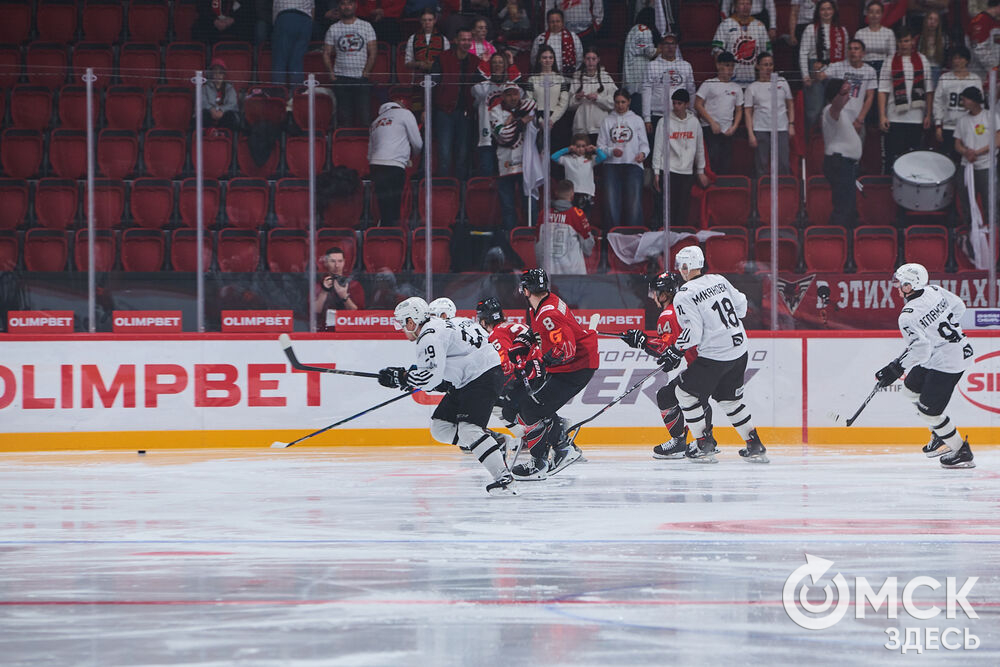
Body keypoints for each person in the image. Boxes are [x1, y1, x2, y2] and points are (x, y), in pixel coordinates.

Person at [378, 297, 517, 494]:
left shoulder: (428, 336)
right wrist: (409, 377)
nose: (402, 329)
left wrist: (402, 378)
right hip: (472, 377)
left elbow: (430, 379)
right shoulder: (442, 325)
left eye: (402, 323)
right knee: (441, 427)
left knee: (469, 430)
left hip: (482, 376)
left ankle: (504, 478)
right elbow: (446, 367)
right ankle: (493, 441)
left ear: (411, 321)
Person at [658, 246, 768, 463]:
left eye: (681, 265)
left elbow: (694, 333)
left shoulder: (684, 294)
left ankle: (703, 444)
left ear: (687, 266)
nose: (680, 269)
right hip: (739, 350)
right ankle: (754, 444)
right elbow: (742, 306)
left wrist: (676, 349)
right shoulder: (719, 280)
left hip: (715, 356)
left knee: (684, 393)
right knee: (730, 400)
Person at [874, 263, 976, 468]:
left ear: (910, 285)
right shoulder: (934, 290)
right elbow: (959, 307)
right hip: (947, 352)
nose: (897, 286)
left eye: (900, 283)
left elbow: (920, 351)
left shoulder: (907, 316)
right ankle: (939, 433)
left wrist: (896, 368)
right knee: (910, 390)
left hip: (949, 362)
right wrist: (938, 334)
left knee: (930, 413)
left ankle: (961, 450)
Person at [509, 268, 598, 480]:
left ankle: (541, 462)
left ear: (526, 290)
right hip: (572, 366)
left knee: (531, 409)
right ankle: (562, 445)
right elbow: (541, 331)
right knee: (536, 405)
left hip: (576, 368)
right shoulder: (543, 305)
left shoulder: (548, 313)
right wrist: (525, 341)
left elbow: (567, 349)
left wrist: (541, 362)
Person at [620, 272, 713, 459]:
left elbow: (665, 347)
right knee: (691, 397)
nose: (653, 296)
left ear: (663, 294)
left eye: (655, 292)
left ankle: (698, 443)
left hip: (703, 365)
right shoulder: (684, 306)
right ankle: (703, 441)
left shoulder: (669, 314)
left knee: (671, 396)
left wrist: (642, 341)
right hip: (713, 361)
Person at [476, 297, 530, 457]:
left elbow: (507, 364)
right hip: (542, 369)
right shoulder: (510, 327)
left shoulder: (496, 333)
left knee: (496, 404)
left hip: (531, 374)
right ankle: (559, 438)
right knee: (531, 408)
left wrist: (498, 387)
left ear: (484, 321)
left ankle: (526, 436)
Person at [878, 26, 935, 172]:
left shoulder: (922, 60)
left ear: (912, 42)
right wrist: (882, 116)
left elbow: (929, 90)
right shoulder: (889, 61)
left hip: (916, 118)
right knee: (892, 157)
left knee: (913, 159)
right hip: (894, 117)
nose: (904, 44)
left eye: (907, 41)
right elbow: (883, 90)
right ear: (897, 43)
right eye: (901, 41)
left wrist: (928, 114)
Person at [652, 89, 709, 228]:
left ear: (687, 104)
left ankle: (680, 236)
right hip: (668, 170)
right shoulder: (663, 122)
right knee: (667, 209)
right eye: (674, 103)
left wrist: (700, 170)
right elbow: (658, 147)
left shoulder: (694, 123)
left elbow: (699, 147)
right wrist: (656, 172)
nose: (676, 106)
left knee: (682, 208)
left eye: (679, 103)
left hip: (686, 171)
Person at [597, 90, 649, 229]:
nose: (620, 105)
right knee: (611, 203)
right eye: (617, 102)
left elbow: (644, 144)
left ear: (629, 102)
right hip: (611, 166)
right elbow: (600, 147)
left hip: (633, 165)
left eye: (623, 102)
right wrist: (611, 151)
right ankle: (611, 235)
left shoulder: (637, 120)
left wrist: (642, 154)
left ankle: (634, 235)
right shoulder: (607, 120)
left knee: (634, 204)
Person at [431, 29, 479, 179]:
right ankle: (444, 185)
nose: (466, 43)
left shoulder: (476, 61)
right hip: (444, 112)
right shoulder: (443, 58)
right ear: (456, 41)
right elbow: (432, 85)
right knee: (444, 152)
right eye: (463, 39)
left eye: (469, 40)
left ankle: (461, 188)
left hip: (466, 113)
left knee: (463, 153)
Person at [323, 0, 378, 128]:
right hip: (341, 79)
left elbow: (373, 52)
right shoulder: (334, 28)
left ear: (355, 6)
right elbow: (326, 53)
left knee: (364, 118)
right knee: (344, 120)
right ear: (339, 6)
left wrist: (366, 73)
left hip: (361, 79)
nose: (346, 7)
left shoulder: (366, 26)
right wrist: (332, 75)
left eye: (349, 3)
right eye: (343, 4)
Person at [368, 101, 422, 227]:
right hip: (394, 164)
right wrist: (412, 155)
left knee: (383, 206)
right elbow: (417, 143)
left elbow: (370, 152)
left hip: (375, 165)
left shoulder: (375, 121)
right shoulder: (405, 114)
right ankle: (392, 234)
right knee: (394, 206)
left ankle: (384, 230)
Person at [490, 84, 537, 230]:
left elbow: (533, 103)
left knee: (529, 201)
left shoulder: (525, 106)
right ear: (502, 96)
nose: (513, 98)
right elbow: (504, 135)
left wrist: (513, 119)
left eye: (515, 94)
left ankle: (531, 233)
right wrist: (521, 121)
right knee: (508, 204)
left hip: (526, 161)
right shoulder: (495, 111)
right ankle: (510, 235)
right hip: (505, 162)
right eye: (509, 95)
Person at [799, 0, 849, 133]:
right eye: (823, 9)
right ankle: (811, 142)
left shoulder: (842, 31)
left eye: (829, 9)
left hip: (835, 67)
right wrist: (805, 75)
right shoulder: (811, 29)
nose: (826, 12)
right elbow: (803, 53)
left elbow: (845, 56)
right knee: (814, 110)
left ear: (834, 11)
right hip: (815, 67)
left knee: (833, 108)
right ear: (818, 12)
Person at [954, 86, 1000, 225]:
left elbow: (997, 140)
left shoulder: (991, 116)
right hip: (966, 165)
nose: (963, 102)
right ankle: (969, 228)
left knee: (989, 200)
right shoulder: (962, 120)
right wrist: (966, 152)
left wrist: (977, 152)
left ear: (974, 101)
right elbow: (957, 144)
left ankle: (992, 230)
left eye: (965, 99)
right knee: (966, 200)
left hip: (986, 165)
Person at [744, 53, 795, 176]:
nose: (768, 68)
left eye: (771, 65)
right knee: (761, 163)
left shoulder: (782, 82)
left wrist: (791, 124)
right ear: (758, 66)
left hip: (781, 128)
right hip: (761, 129)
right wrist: (751, 134)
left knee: (784, 162)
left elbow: (790, 104)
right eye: (765, 65)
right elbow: (748, 112)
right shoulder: (752, 88)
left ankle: (785, 186)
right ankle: (762, 187)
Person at [695, 51, 744, 175]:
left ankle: (723, 184)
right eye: (727, 65)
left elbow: (739, 110)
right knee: (712, 157)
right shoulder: (709, 83)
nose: (730, 69)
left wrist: (734, 127)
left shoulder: (736, 88)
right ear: (718, 65)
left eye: (732, 66)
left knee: (726, 160)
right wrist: (712, 122)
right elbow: (698, 104)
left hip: (728, 130)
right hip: (710, 128)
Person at [472, 52, 521, 177]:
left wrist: (512, 64)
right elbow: (476, 87)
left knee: (506, 172)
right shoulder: (484, 86)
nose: (497, 65)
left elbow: (521, 91)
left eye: (501, 62)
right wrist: (484, 63)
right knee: (487, 169)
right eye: (494, 63)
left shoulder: (510, 86)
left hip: (507, 134)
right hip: (487, 134)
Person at [822, 78, 863, 227]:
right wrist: (841, 93)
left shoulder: (844, 114)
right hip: (839, 164)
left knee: (848, 207)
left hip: (846, 165)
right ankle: (836, 237)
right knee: (843, 207)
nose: (848, 97)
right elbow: (836, 106)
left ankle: (846, 238)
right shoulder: (829, 111)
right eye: (846, 94)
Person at [933, 46, 982, 162]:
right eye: (954, 58)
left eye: (960, 58)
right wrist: (938, 125)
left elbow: (979, 105)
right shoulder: (944, 78)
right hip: (948, 127)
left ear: (967, 60)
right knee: (946, 161)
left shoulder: (975, 79)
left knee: (965, 160)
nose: (957, 61)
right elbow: (938, 102)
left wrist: (977, 126)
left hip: (968, 128)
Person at [535, 179, 594, 274]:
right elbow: (588, 245)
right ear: (572, 194)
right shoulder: (577, 215)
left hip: (549, 272)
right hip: (572, 274)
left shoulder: (544, 214)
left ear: (556, 193)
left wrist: (541, 266)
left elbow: (538, 244)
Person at [642, 32, 695, 136]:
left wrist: (693, 112)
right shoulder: (652, 66)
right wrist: (647, 118)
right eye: (666, 44)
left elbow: (691, 91)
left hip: (680, 116)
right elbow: (646, 92)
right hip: (658, 115)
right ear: (661, 46)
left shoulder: (685, 66)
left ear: (676, 46)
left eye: (673, 44)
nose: (670, 47)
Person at [825, 39, 878, 136]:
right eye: (850, 49)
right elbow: (820, 77)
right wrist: (817, 70)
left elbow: (870, 97)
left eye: (856, 49)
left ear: (863, 53)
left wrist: (860, 119)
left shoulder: (870, 71)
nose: (852, 51)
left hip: (856, 118)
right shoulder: (837, 66)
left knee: (857, 145)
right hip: (838, 117)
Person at [713, 0, 772, 87]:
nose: (745, 7)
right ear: (735, 7)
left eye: (748, 4)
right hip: (731, 82)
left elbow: (767, 53)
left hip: (755, 83)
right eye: (742, 4)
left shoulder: (760, 26)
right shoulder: (725, 24)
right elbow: (717, 51)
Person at [568, 47, 617, 142]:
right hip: (581, 128)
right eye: (588, 59)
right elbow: (569, 105)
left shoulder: (606, 78)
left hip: (600, 127)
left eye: (593, 59)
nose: (590, 62)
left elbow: (613, 103)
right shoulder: (577, 78)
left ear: (598, 60)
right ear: (584, 60)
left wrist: (598, 98)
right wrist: (577, 98)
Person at [551, 133, 608, 212]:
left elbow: (603, 157)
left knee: (585, 216)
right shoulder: (567, 159)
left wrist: (595, 149)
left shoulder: (591, 159)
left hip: (587, 192)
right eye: (578, 146)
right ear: (573, 146)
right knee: (571, 214)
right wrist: (567, 149)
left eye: (583, 146)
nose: (580, 149)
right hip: (571, 193)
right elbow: (553, 157)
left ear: (587, 147)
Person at [314, 247, 365, 329]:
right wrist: (324, 291)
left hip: (348, 328)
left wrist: (344, 296)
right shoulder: (318, 285)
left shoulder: (353, 285)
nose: (337, 265)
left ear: (344, 262)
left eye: (340, 261)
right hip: (324, 329)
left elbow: (359, 314)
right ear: (326, 263)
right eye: (332, 261)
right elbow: (314, 312)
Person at [623, 9, 660, 117]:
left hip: (631, 71)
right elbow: (650, 52)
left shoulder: (634, 29)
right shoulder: (644, 30)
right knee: (639, 101)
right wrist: (663, 48)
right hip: (638, 72)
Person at [524, 45, 570, 130]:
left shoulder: (560, 79)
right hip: (536, 119)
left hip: (557, 119)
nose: (548, 60)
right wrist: (540, 120)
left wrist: (552, 119)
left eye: (550, 57)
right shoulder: (532, 79)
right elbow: (529, 101)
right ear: (539, 60)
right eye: (544, 58)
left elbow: (564, 101)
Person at [271, 0, 314, 87]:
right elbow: (313, 11)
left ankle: (279, 92)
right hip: (305, 21)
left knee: (280, 60)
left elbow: (275, 9)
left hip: (285, 18)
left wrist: (276, 25)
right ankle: (296, 92)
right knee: (298, 61)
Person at [531, 9, 584, 76]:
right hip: (547, 75)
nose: (555, 24)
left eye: (558, 21)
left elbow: (579, 58)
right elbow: (534, 59)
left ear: (562, 22)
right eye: (552, 22)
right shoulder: (540, 39)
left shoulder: (573, 37)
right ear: (548, 23)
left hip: (569, 75)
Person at [403, 8, 449, 82]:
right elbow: (407, 63)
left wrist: (434, 65)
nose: (427, 23)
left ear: (435, 21)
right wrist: (419, 64)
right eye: (424, 20)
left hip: (438, 79)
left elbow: (448, 62)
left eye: (430, 20)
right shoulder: (412, 38)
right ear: (420, 21)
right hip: (418, 78)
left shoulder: (443, 39)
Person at [855, 0, 896, 77]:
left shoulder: (889, 33)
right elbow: (856, 54)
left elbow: (892, 55)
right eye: (871, 12)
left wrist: (887, 69)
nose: (874, 15)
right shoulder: (860, 33)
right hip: (864, 67)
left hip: (884, 68)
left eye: (877, 12)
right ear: (867, 14)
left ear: (882, 14)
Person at [201, 59, 241, 132]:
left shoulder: (230, 88)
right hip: (210, 114)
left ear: (224, 75)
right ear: (212, 74)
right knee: (203, 114)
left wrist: (222, 110)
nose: (218, 75)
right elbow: (202, 102)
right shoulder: (205, 88)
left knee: (231, 116)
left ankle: (224, 135)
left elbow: (233, 104)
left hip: (224, 115)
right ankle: (208, 134)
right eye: (215, 72)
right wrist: (211, 109)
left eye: (220, 73)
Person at [966, 0, 1000, 82]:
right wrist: (995, 68)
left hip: (993, 74)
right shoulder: (980, 20)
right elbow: (979, 49)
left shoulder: (995, 21)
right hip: (979, 74)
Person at [917, 10, 948, 86]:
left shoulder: (943, 39)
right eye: (930, 19)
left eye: (935, 20)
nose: (932, 22)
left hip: (936, 68)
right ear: (926, 21)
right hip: (922, 69)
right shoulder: (920, 38)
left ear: (938, 23)